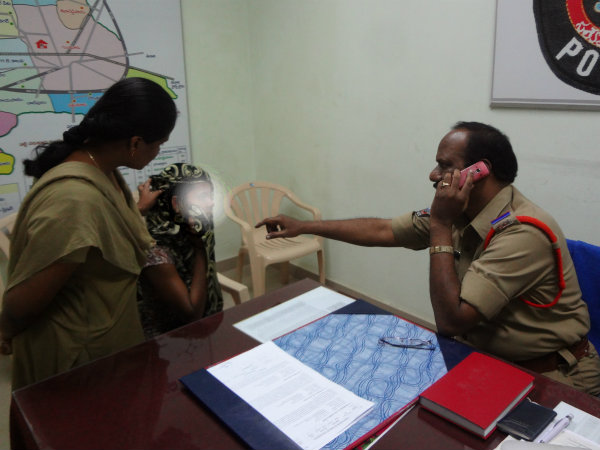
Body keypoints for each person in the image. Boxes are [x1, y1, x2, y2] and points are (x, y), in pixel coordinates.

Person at [256, 121, 600, 395]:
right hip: (488, 361)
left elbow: (451, 321)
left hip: (553, 376)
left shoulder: (521, 233)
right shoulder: (462, 211)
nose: (434, 175)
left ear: (480, 171)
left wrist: (440, 225)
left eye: (445, 165)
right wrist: (305, 226)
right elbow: (383, 230)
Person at [0, 77, 177, 390]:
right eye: (159, 144)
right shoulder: (73, 198)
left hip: (106, 341)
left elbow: (100, 234)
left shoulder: (103, 171)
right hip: (75, 357)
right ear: (135, 143)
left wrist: (137, 210)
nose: (158, 151)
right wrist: (5, 330)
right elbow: (24, 302)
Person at [136, 163, 223, 338]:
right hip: (168, 342)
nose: (211, 202)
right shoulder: (155, 252)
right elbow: (192, 315)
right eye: (203, 196)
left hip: (202, 334)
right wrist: (200, 249)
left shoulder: (188, 230)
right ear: (176, 203)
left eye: (211, 195)